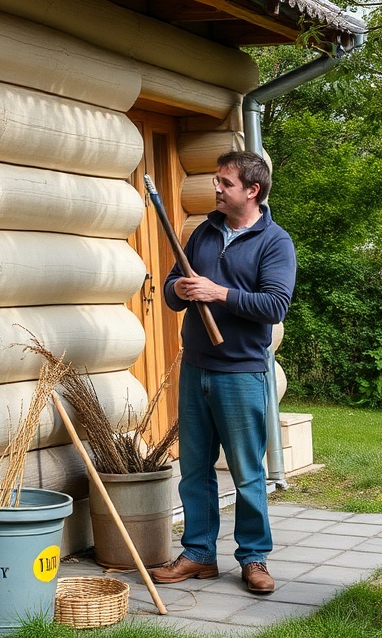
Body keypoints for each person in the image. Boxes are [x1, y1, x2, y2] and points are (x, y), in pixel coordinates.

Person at [148, 150, 296, 595]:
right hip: (196, 368)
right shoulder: (204, 232)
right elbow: (174, 290)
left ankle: (253, 558)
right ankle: (197, 554)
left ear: (252, 190)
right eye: (215, 180)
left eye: (225, 182)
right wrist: (180, 287)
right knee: (193, 467)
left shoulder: (275, 242)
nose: (215, 188)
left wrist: (218, 293)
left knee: (247, 472)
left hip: (240, 373)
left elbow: (274, 306)